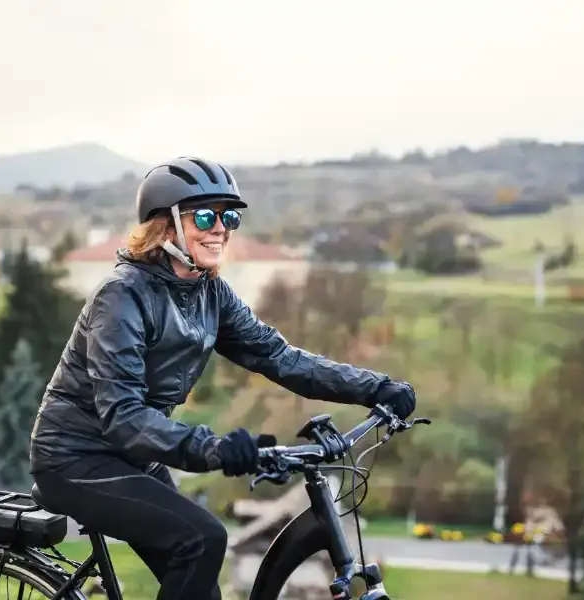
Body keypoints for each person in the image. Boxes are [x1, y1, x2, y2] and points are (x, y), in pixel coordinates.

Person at [29, 156, 417, 600]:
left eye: (229, 216)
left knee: (201, 587)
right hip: (75, 458)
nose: (221, 228)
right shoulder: (121, 296)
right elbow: (123, 415)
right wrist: (213, 448)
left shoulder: (209, 291)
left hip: (134, 456)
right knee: (202, 540)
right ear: (166, 226)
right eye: (207, 216)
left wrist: (375, 387)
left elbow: (279, 357)